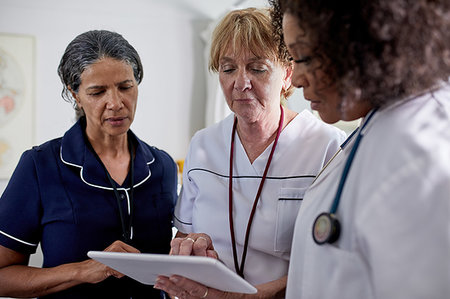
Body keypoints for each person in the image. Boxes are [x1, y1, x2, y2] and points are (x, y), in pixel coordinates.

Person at [154, 7, 346, 298]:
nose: (240, 83)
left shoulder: (327, 147)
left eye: (257, 68)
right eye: (228, 68)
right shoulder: (203, 144)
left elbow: (334, 261)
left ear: (288, 76)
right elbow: (184, 235)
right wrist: (191, 250)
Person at [268, 0, 450, 298]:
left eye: (302, 58)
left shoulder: (419, 155)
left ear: (361, 43)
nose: (297, 79)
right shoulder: (377, 124)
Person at [0, 30, 177, 298]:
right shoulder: (39, 165)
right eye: (97, 92)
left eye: (125, 87)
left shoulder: (163, 166)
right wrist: (83, 270)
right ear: (75, 95)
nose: (116, 103)